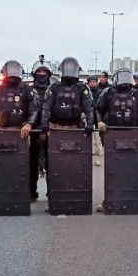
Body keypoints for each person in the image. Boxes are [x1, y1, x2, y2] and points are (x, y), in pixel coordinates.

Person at [95, 68, 138, 212]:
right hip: (112, 135)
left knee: (133, 168)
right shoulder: (108, 93)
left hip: (134, 135)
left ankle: (135, 200)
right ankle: (109, 199)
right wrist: (99, 122)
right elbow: (97, 109)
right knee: (112, 170)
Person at [40, 57, 95, 211]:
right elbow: (46, 106)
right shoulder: (54, 88)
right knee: (53, 166)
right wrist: (44, 124)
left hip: (75, 129)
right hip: (57, 129)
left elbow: (89, 107)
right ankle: (53, 198)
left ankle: (76, 195)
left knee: (75, 165)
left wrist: (90, 124)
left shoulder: (82, 89)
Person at [0, 60, 39, 140]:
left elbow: (34, 109)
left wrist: (29, 124)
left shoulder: (27, 90)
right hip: (1, 129)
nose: (13, 73)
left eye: (15, 70)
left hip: (22, 131)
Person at [29, 58, 53, 202]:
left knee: (52, 165)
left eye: (44, 71)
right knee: (32, 164)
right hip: (33, 131)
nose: (42, 74)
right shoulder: (29, 90)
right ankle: (31, 192)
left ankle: (52, 193)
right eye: (39, 71)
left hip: (51, 132)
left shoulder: (54, 89)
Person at [86, 75, 104, 166]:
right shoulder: (85, 92)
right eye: (90, 82)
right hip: (86, 119)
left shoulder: (101, 93)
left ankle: (97, 159)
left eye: (93, 81)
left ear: (96, 82)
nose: (91, 83)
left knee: (97, 140)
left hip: (96, 119)